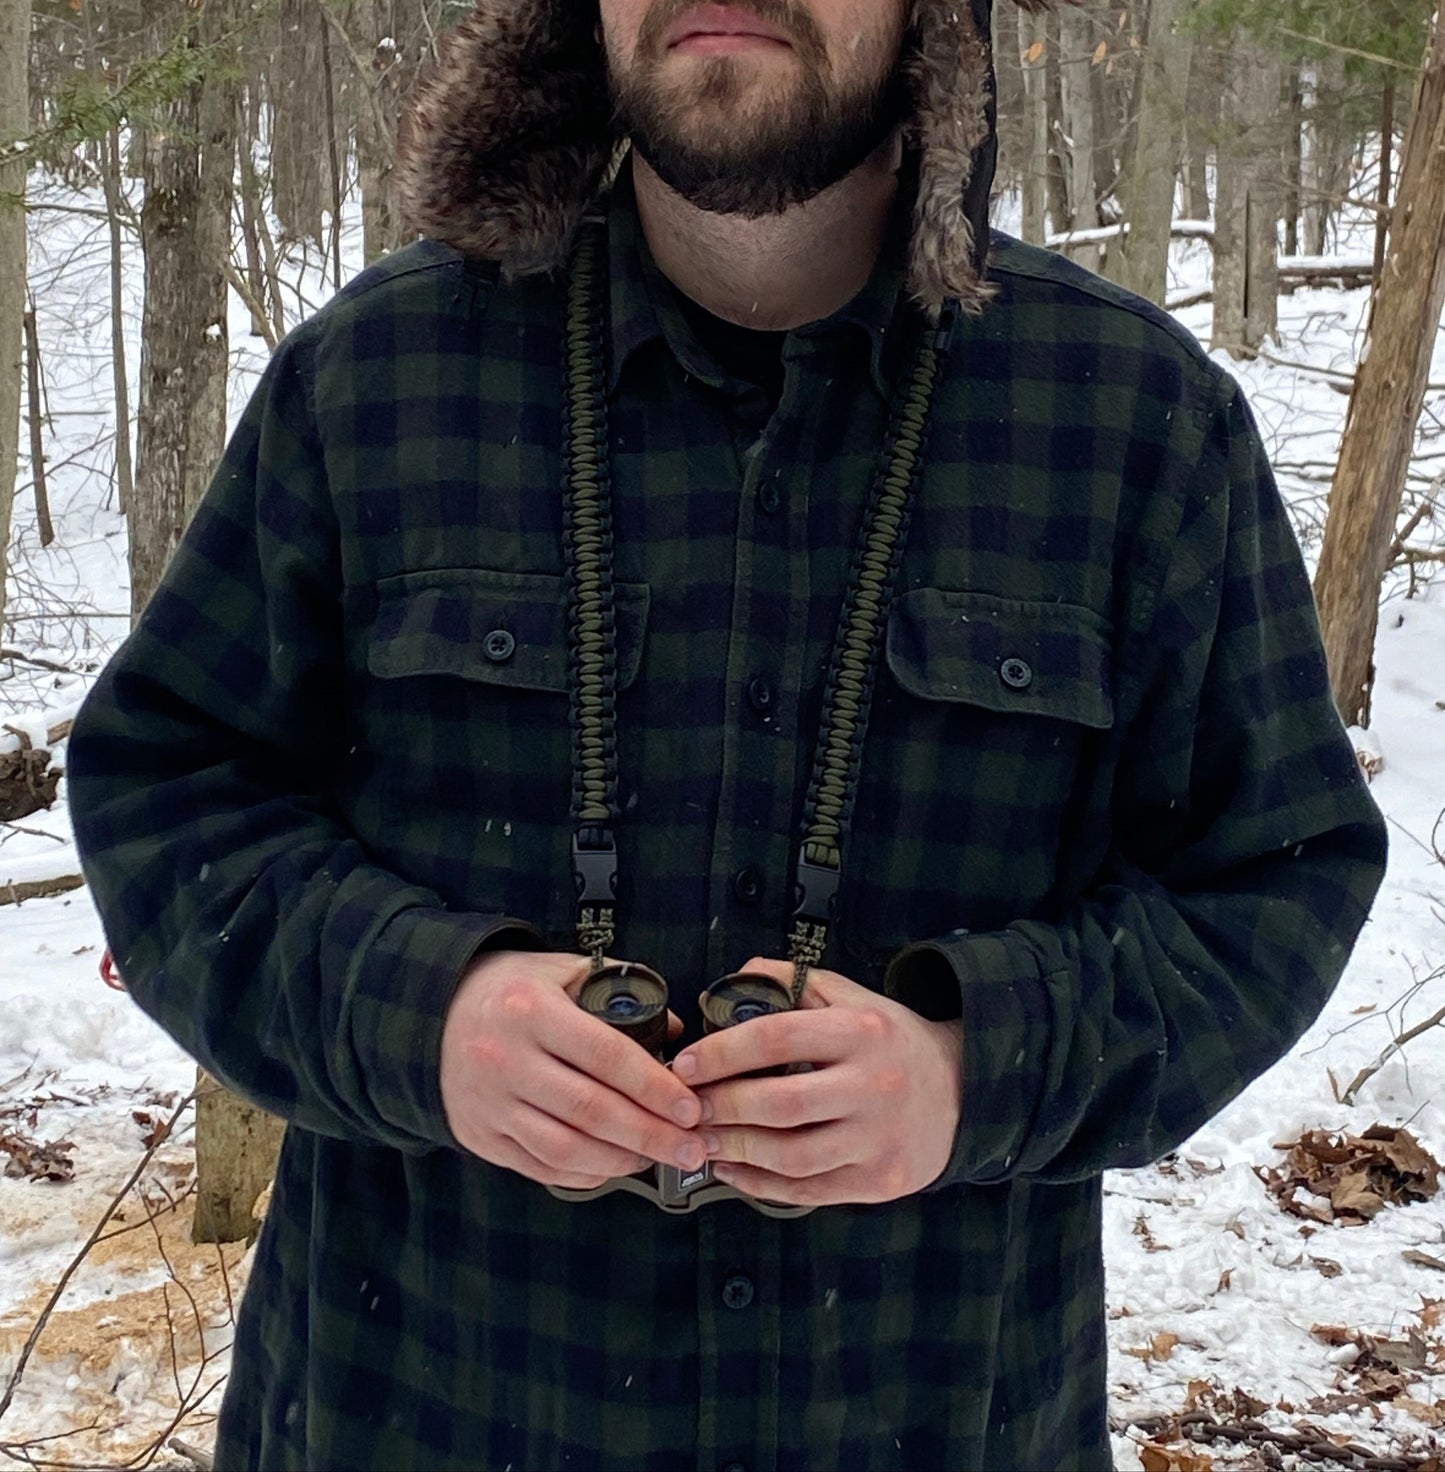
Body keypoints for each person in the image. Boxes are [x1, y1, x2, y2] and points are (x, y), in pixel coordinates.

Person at [68, 0, 1388, 1466]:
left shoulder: (1133, 423)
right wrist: (419, 1013)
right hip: (422, 1403)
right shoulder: (373, 384)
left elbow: (1274, 874)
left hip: (923, 1415)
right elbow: (167, 793)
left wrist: (976, 1068)